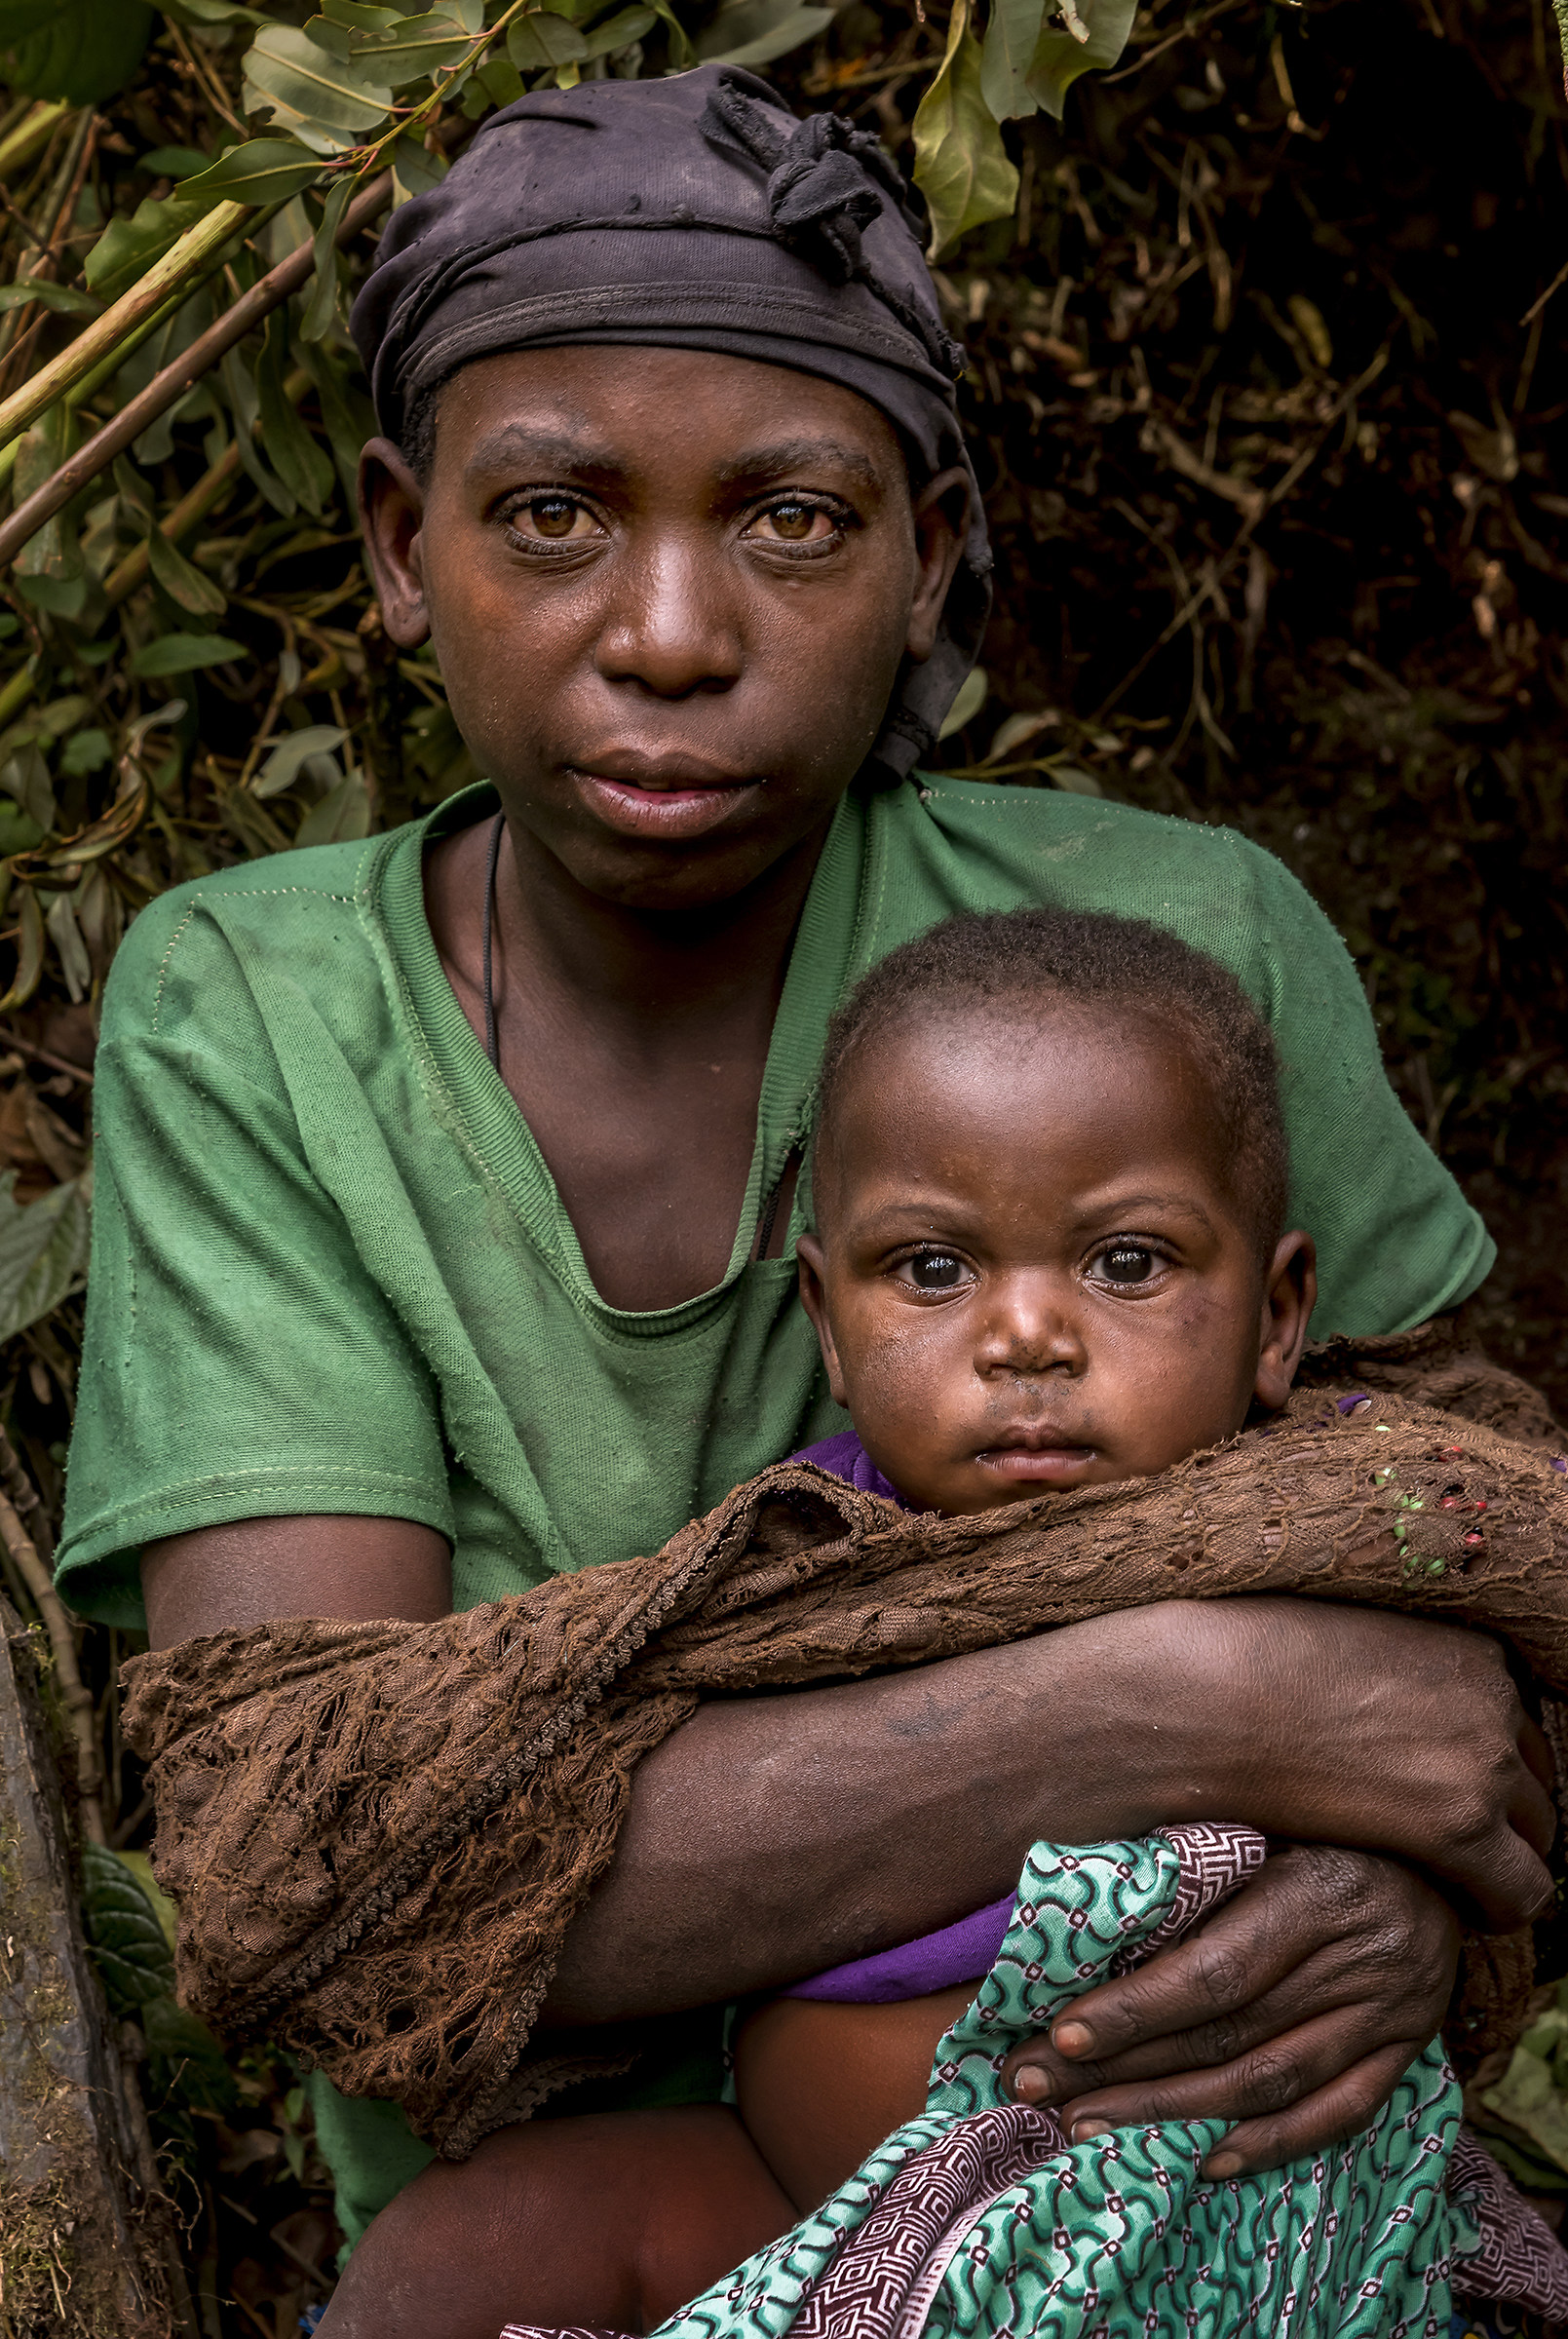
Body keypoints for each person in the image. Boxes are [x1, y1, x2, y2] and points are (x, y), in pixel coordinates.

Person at [54, 62, 1553, 2335]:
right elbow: (317, 1884)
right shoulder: (253, 1014)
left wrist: (1416, 1888)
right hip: (589, 2250)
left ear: (930, 553)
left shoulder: (1169, 957)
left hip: (1210, 2199)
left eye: (791, 521)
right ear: (392, 546)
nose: (668, 628)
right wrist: (1198, 1698)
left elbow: (1483, 1620)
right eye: (551, 516)